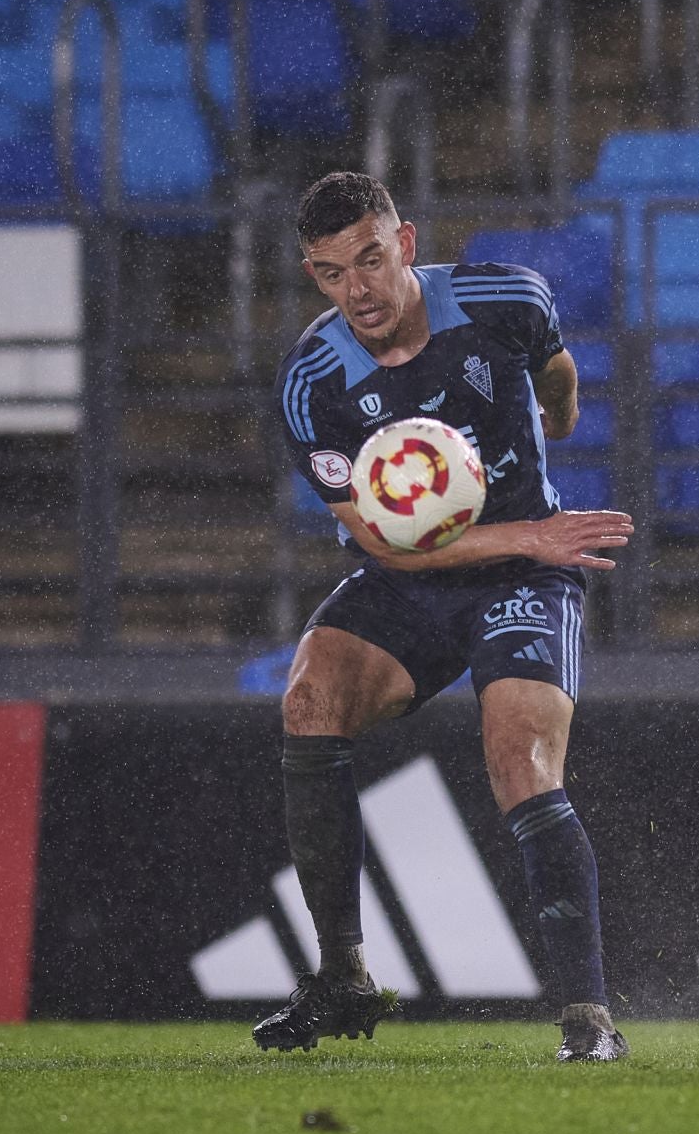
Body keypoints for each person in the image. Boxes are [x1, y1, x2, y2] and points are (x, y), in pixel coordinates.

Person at [258, 172, 635, 1062]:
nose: (358, 290)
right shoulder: (312, 383)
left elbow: (557, 370)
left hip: (521, 577)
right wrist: (531, 533)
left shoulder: (506, 299)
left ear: (408, 244)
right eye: (331, 272)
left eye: (371, 260)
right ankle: (343, 974)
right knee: (309, 698)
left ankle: (589, 1021)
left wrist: (561, 415)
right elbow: (382, 547)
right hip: (416, 576)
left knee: (519, 760)